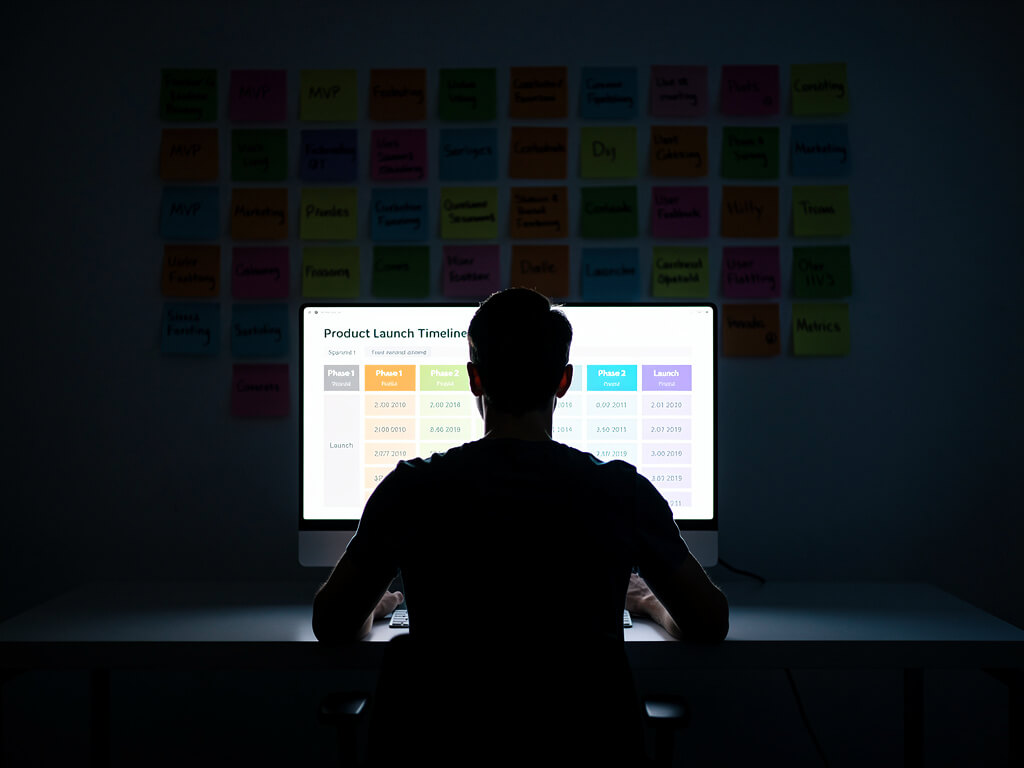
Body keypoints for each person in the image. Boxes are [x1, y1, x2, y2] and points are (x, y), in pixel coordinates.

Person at [313, 287, 728, 764]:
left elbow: (332, 623)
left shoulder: (410, 488)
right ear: (563, 381)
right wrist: (650, 604)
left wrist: (374, 607)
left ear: (475, 379)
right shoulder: (621, 491)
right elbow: (709, 621)